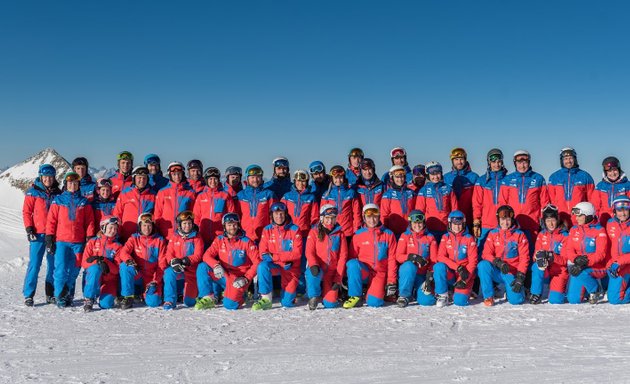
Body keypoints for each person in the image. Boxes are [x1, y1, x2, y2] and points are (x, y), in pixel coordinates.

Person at [46, 171, 95, 308]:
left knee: (75, 269)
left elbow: (90, 222)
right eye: (70, 183)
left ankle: (68, 293)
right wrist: (49, 238)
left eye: (75, 183)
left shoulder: (84, 202)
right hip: (61, 241)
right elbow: (51, 221)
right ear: (65, 184)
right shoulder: (58, 200)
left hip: (78, 242)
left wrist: (90, 238)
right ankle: (60, 296)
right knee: (60, 270)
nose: (72, 185)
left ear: (78, 185)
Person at [195, 213, 260, 310]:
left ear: (238, 225)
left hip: (239, 278)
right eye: (229, 225)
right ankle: (208, 298)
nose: (232, 227)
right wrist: (216, 266)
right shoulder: (220, 240)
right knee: (202, 267)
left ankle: (242, 295)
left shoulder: (246, 241)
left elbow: (257, 262)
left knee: (230, 305)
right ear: (224, 226)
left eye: (234, 224)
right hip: (224, 274)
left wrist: (246, 278)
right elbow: (206, 255)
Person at [343, 204, 397, 308]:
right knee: (352, 263)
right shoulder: (358, 235)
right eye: (368, 217)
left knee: (374, 302)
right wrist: (347, 277)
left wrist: (391, 281)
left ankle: (373, 292)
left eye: (375, 216)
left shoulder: (388, 234)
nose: (372, 220)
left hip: (379, 273)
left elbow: (392, 259)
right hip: (364, 271)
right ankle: (355, 296)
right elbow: (351, 257)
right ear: (364, 218)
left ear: (379, 216)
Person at [22, 164, 61, 306]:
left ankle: (50, 294)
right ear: (41, 176)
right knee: (34, 264)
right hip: (37, 234)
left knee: (52, 265)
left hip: (53, 235)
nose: (48, 179)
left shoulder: (58, 193)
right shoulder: (33, 192)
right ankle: (28, 294)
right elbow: (27, 212)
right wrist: (29, 229)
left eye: (51, 177)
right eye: (45, 177)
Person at [254, 202, 303, 310]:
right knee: (262, 266)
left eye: (281, 213)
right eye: (276, 214)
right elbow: (263, 253)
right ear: (272, 215)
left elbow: (297, 253)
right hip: (276, 265)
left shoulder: (295, 229)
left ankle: (289, 294)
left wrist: (275, 256)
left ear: (285, 214)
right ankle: (266, 298)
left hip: (290, 268)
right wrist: (281, 260)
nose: (279, 216)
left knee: (287, 303)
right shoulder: (267, 230)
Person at [478, 205, 530, 306]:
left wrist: (520, 276)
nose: (505, 223)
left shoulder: (520, 235)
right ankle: (488, 296)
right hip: (498, 270)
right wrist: (497, 262)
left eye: (508, 219)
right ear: (498, 219)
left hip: (511, 272)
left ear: (512, 219)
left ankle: (519, 291)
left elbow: (524, 257)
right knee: (483, 265)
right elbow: (486, 253)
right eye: (502, 219)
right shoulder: (493, 233)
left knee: (516, 301)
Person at [500, 150, 549, 252]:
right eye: (519, 162)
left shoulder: (538, 178)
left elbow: (545, 201)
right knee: (514, 251)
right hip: (513, 223)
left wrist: (544, 220)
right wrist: (503, 220)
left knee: (532, 250)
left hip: (532, 223)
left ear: (529, 162)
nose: (522, 165)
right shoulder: (508, 179)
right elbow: (503, 202)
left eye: (525, 162)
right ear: (515, 163)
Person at [562, 202, 609, 304]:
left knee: (581, 272)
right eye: (576, 216)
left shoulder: (599, 230)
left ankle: (595, 290)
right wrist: (575, 259)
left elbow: (601, 254)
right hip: (579, 266)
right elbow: (569, 250)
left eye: (580, 216)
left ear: (587, 216)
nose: (576, 218)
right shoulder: (574, 230)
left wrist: (585, 262)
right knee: (573, 300)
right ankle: (587, 290)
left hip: (597, 267)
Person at [118, 213, 166, 309]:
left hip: (151, 277)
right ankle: (128, 297)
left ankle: (143, 293)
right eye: (144, 225)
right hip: (138, 273)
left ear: (153, 226)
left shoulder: (159, 240)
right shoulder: (134, 238)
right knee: (124, 266)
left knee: (153, 302)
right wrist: (129, 260)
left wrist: (156, 280)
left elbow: (162, 263)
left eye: (149, 225)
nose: (147, 228)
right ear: (140, 226)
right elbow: (123, 252)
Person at [305, 205, 348, 310]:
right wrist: (314, 264)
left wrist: (338, 279)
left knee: (330, 304)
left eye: (333, 217)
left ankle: (329, 294)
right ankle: (313, 296)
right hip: (318, 268)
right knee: (312, 273)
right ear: (322, 218)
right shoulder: (314, 231)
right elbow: (309, 251)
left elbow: (343, 256)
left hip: (332, 272)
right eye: (327, 217)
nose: (330, 220)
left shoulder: (340, 234)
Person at [433, 210, 478, 307]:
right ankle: (443, 295)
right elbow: (440, 256)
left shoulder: (469, 238)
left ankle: (465, 291)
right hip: (452, 272)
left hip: (465, 274)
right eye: (454, 224)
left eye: (460, 224)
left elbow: (473, 261)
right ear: (450, 224)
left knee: (459, 301)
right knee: (438, 266)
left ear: (464, 224)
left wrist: (464, 279)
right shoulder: (445, 237)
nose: (457, 227)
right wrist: (457, 267)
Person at [160, 211, 204, 310]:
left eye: (189, 223)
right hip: (178, 268)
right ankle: (169, 300)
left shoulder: (197, 237)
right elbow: (169, 253)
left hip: (191, 270)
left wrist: (185, 261)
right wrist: (173, 261)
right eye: (184, 223)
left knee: (189, 303)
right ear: (180, 225)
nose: (187, 226)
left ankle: (191, 295)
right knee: (168, 272)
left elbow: (198, 255)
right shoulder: (174, 236)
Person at [395, 210, 438, 307]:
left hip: (421, 275)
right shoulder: (405, 236)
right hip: (408, 273)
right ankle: (404, 296)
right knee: (409, 266)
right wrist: (412, 257)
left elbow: (434, 260)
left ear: (424, 223)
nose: (417, 225)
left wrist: (430, 275)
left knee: (427, 301)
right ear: (410, 223)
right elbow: (398, 256)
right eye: (414, 223)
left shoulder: (430, 237)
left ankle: (415, 292)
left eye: (420, 222)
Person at [529, 204, 569, 304]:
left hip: (559, 271)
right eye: (548, 221)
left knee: (555, 300)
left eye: (553, 220)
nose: (551, 224)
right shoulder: (542, 234)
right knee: (536, 266)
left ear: (558, 220)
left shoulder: (565, 235)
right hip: (545, 269)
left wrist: (551, 256)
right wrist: (539, 259)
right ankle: (536, 293)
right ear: (544, 222)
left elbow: (565, 259)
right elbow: (535, 255)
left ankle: (562, 287)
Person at [81, 216, 122, 311]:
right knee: (95, 268)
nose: (113, 231)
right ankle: (89, 299)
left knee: (106, 304)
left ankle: (109, 295)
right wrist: (98, 262)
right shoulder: (92, 242)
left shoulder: (118, 246)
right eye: (110, 228)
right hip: (94, 278)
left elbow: (116, 270)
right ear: (103, 227)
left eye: (115, 229)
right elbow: (84, 263)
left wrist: (105, 261)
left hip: (109, 280)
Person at [547, 148, 595, 226]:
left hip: (580, 219)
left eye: (570, 158)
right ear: (562, 161)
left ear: (575, 159)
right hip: (561, 220)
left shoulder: (585, 176)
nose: (568, 161)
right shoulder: (554, 177)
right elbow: (551, 199)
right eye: (565, 159)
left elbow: (591, 199)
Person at [472, 148, 508, 251]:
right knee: (482, 252)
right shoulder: (482, 181)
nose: (496, 164)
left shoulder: (508, 180)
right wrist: (476, 222)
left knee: (502, 251)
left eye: (499, 161)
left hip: (504, 224)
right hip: (486, 224)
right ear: (489, 162)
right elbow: (477, 203)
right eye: (493, 162)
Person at [415, 161, 458, 243]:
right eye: (432, 174)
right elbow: (420, 211)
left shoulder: (448, 188)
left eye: (438, 173)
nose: (435, 176)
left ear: (441, 173)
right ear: (428, 175)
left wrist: (454, 225)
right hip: (430, 229)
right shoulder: (423, 190)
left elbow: (454, 208)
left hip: (446, 228)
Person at [193, 167, 236, 247]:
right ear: (206, 180)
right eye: (210, 179)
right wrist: (196, 231)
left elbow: (231, 214)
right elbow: (196, 216)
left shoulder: (225, 195)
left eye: (215, 179)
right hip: (203, 235)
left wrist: (229, 232)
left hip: (220, 236)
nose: (213, 181)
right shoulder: (201, 196)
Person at [112, 165, 156, 242]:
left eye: (144, 178)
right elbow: (117, 214)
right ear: (134, 179)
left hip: (145, 236)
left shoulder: (152, 195)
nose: (142, 180)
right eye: (139, 178)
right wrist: (117, 232)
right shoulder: (125, 193)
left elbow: (156, 215)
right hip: (126, 235)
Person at [154, 162, 196, 239]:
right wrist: (157, 230)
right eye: (174, 174)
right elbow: (158, 214)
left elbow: (194, 214)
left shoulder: (190, 193)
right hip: (166, 234)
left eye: (179, 174)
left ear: (182, 174)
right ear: (170, 175)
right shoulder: (162, 192)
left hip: (184, 234)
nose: (177, 176)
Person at [320, 165, 361, 242]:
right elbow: (322, 215)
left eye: (341, 177)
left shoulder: (351, 193)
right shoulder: (327, 195)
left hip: (348, 232)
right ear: (332, 179)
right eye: (336, 178)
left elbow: (356, 213)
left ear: (344, 178)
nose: (338, 180)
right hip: (332, 231)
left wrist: (356, 230)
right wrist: (324, 230)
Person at [236, 164, 276, 243]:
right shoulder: (241, 195)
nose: (255, 180)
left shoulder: (269, 194)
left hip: (264, 237)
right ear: (247, 178)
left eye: (258, 177)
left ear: (261, 178)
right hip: (244, 237)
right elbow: (237, 215)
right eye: (252, 177)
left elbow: (274, 216)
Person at [444, 148, 479, 226]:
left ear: (465, 160)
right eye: (456, 159)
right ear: (452, 161)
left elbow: (478, 199)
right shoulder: (446, 178)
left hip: (469, 217)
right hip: (452, 219)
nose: (459, 162)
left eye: (461, 159)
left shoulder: (474, 177)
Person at [605, 196, 630, 304]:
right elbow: (609, 246)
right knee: (613, 298)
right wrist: (610, 264)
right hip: (618, 265)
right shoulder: (610, 224)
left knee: (616, 300)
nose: (623, 214)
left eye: (626, 210)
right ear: (614, 211)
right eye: (620, 210)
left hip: (626, 264)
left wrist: (618, 262)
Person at [591, 156, 630, 225]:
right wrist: (596, 219)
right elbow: (595, 205)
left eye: (615, 170)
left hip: (622, 221)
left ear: (619, 170)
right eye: (609, 171)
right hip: (604, 220)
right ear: (605, 172)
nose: (612, 173)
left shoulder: (627, 185)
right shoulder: (600, 186)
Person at [381, 165, 416, 238]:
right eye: (397, 177)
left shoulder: (411, 193)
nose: (400, 179)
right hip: (394, 233)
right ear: (392, 178)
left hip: (409, 232)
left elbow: (415, 210)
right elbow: (384, 216)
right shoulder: (387, 195)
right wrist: (385, 232)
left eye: (402, 176)